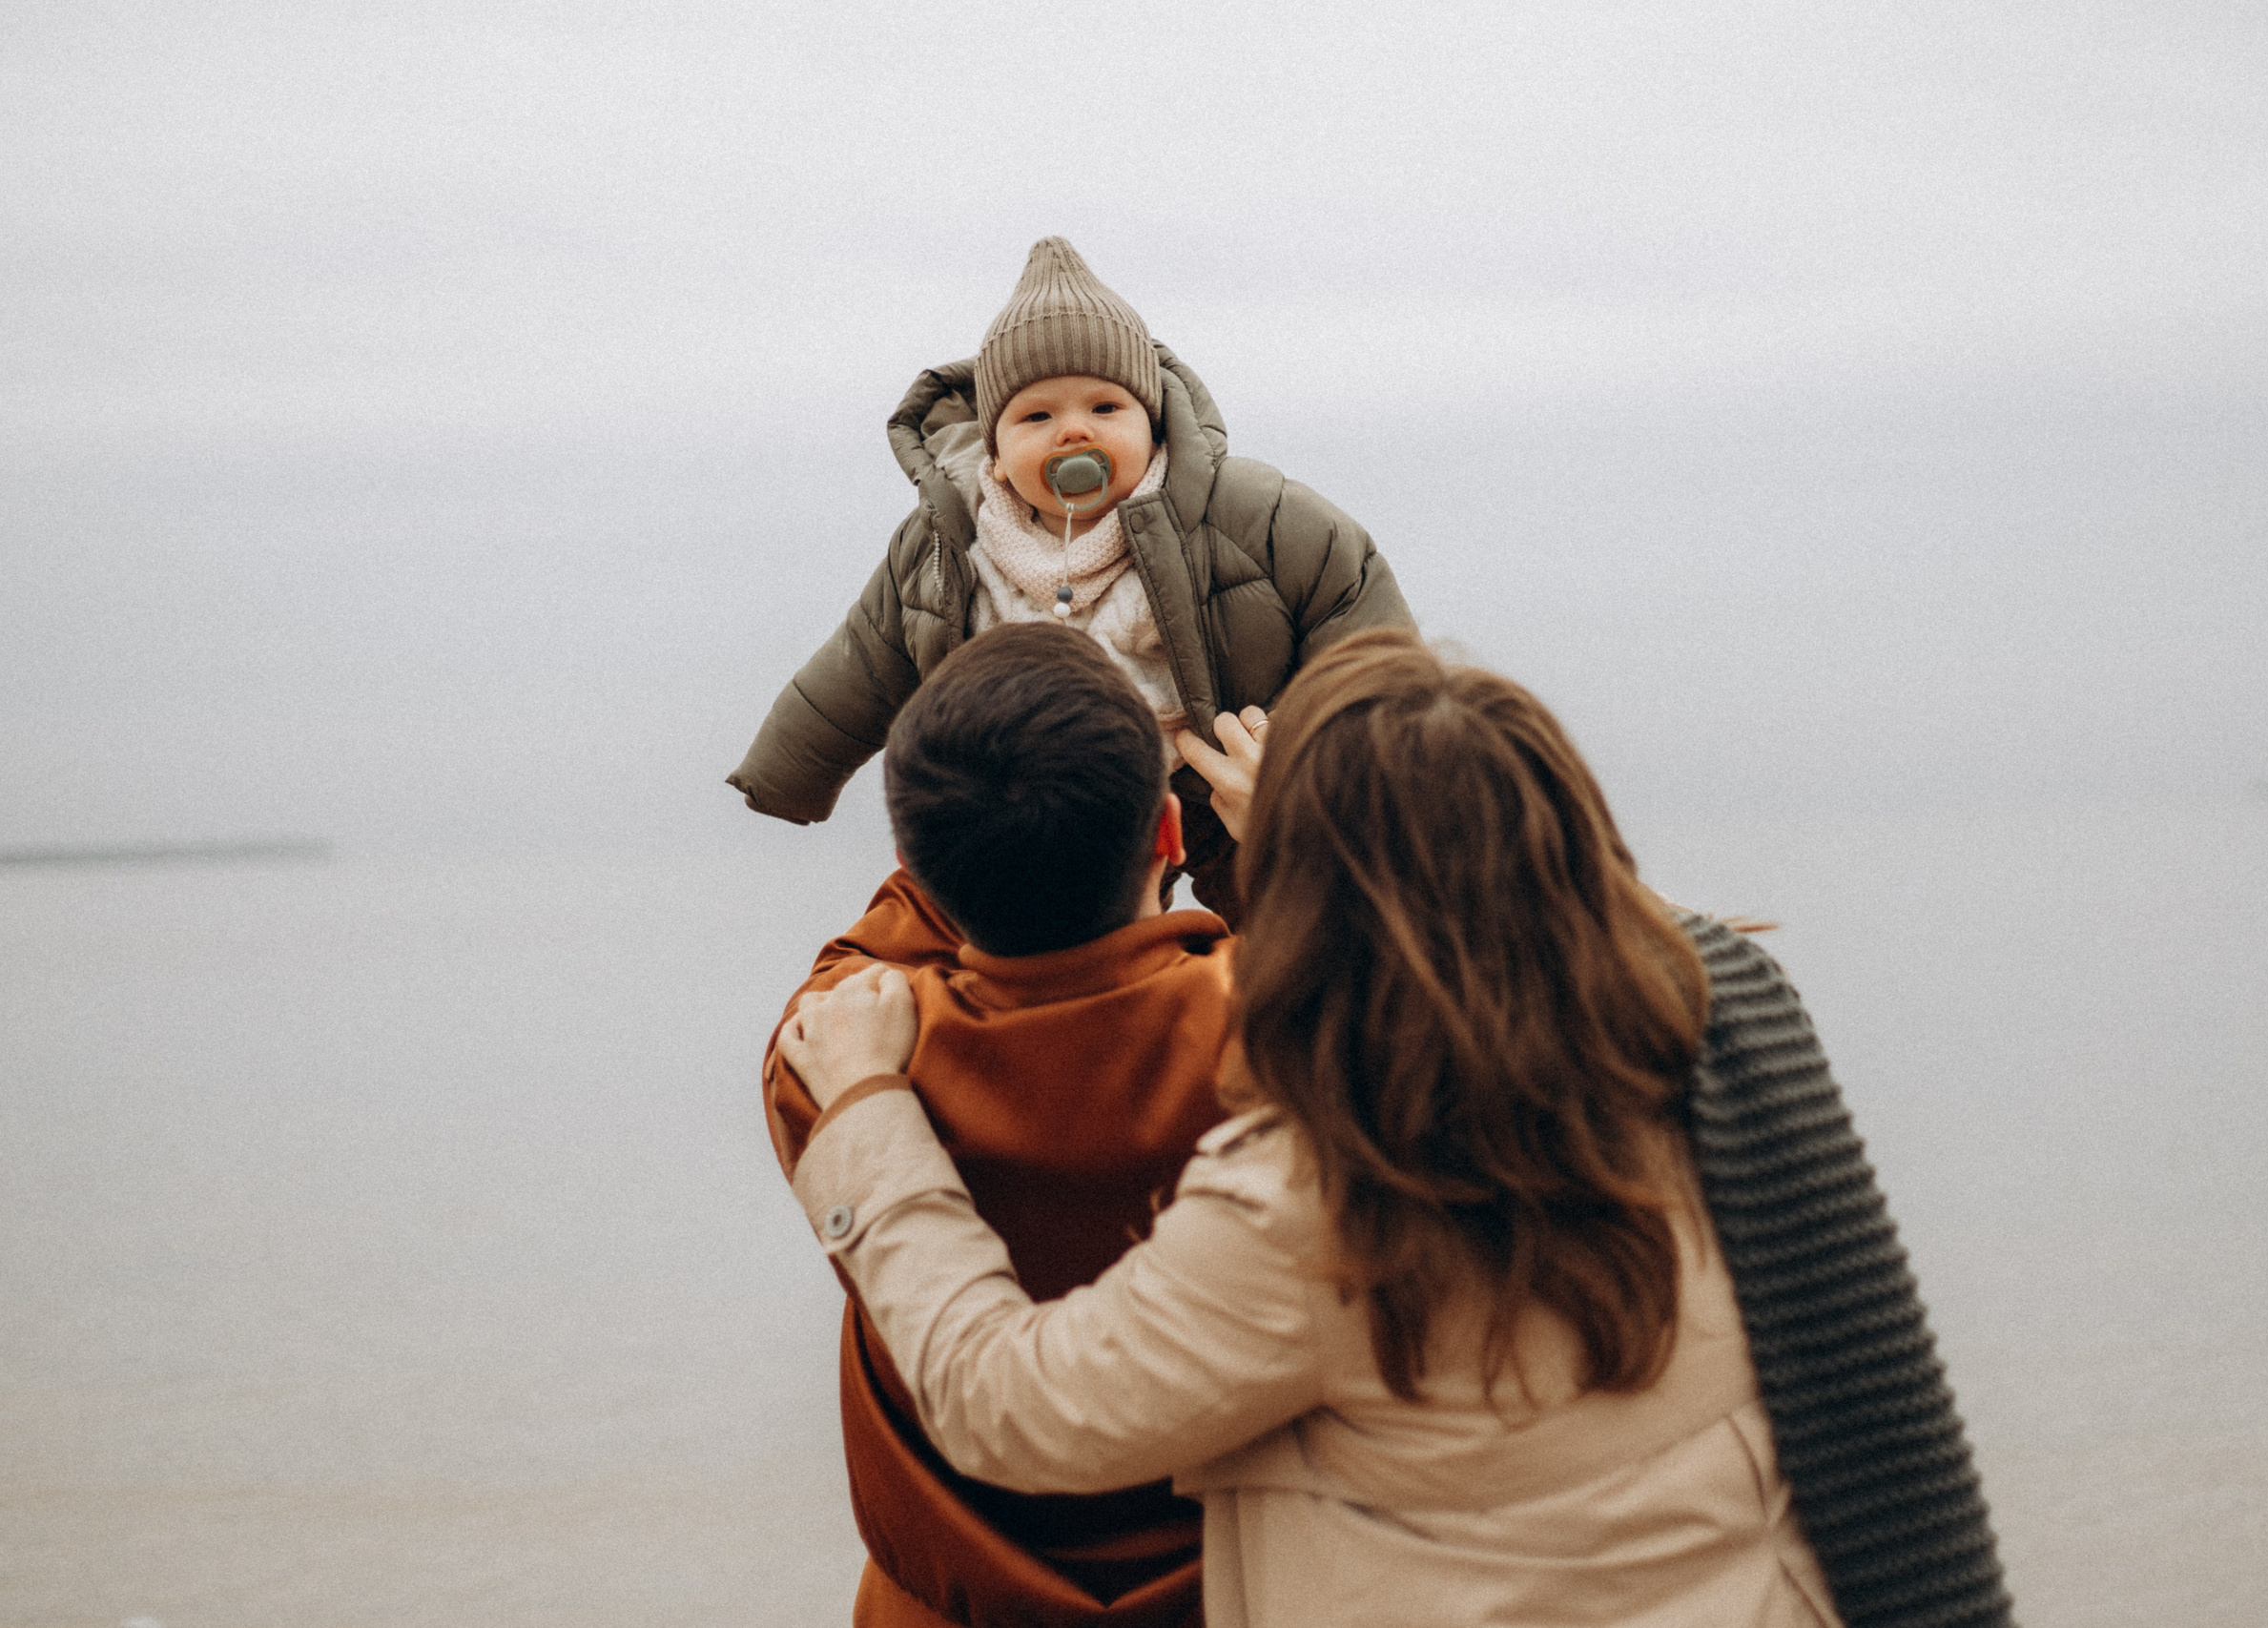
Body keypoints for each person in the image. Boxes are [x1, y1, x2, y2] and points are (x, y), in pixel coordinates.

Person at [782, 630, 2015, 1628]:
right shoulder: (1686, 1030)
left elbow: (1012, 1405)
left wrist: (869, 1113)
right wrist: (1340, 824)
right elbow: (1566, 897)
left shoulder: (1321, 1194)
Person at [763, 623, 1281, 1627]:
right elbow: (1392, 978)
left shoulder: (836, 1062)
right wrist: (1288, 845)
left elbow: (885, 933)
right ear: (1170, 838)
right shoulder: (1292, 1044)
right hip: (1234, 1598)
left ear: (915, 861)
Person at [727, 235, 1412, 921]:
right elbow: (866, 658)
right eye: (1037, 416)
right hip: (1059, 798)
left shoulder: (1248, 511)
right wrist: (787, 774)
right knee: (1056, 927)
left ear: (1155, 424)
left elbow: (1350, 602)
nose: (1074, 431)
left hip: (1213, 774)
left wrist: (1349, 756)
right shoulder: (951, 543)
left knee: (1282, 922)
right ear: (995, 454)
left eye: (1106, 408)